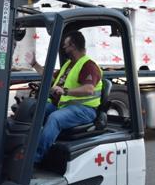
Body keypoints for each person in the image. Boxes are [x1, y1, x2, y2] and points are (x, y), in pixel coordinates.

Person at [29, 31, 102, 163]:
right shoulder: (69, 65)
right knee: (34, 110)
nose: (63, 48)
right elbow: (51, 80)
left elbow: (89, 89)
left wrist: (65, 91)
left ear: (73, 46)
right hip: (65, 106)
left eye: (65, 45)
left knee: (54, 118)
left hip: (84, 110)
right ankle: (24, 149)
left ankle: (34, 159)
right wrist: (35, 64)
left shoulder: (89, 66)